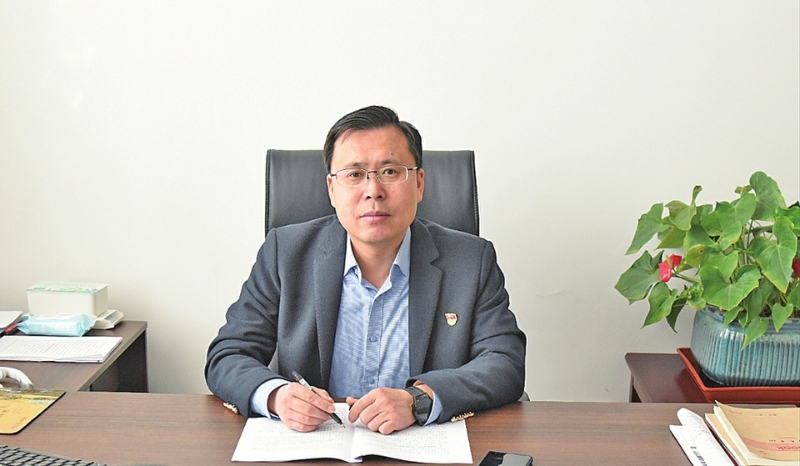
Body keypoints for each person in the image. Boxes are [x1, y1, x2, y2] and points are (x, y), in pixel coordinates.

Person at [205, 105, 526, 435]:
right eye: (354, 174)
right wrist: (277, 396)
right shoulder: (285, 254)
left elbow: (505, 363)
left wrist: (419, 400)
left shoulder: (470, 260)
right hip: (316, 444)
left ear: (419, 183)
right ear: (332, 189)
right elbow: (228, 355)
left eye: (390, 171)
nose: (373, 190)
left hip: (422, 444)